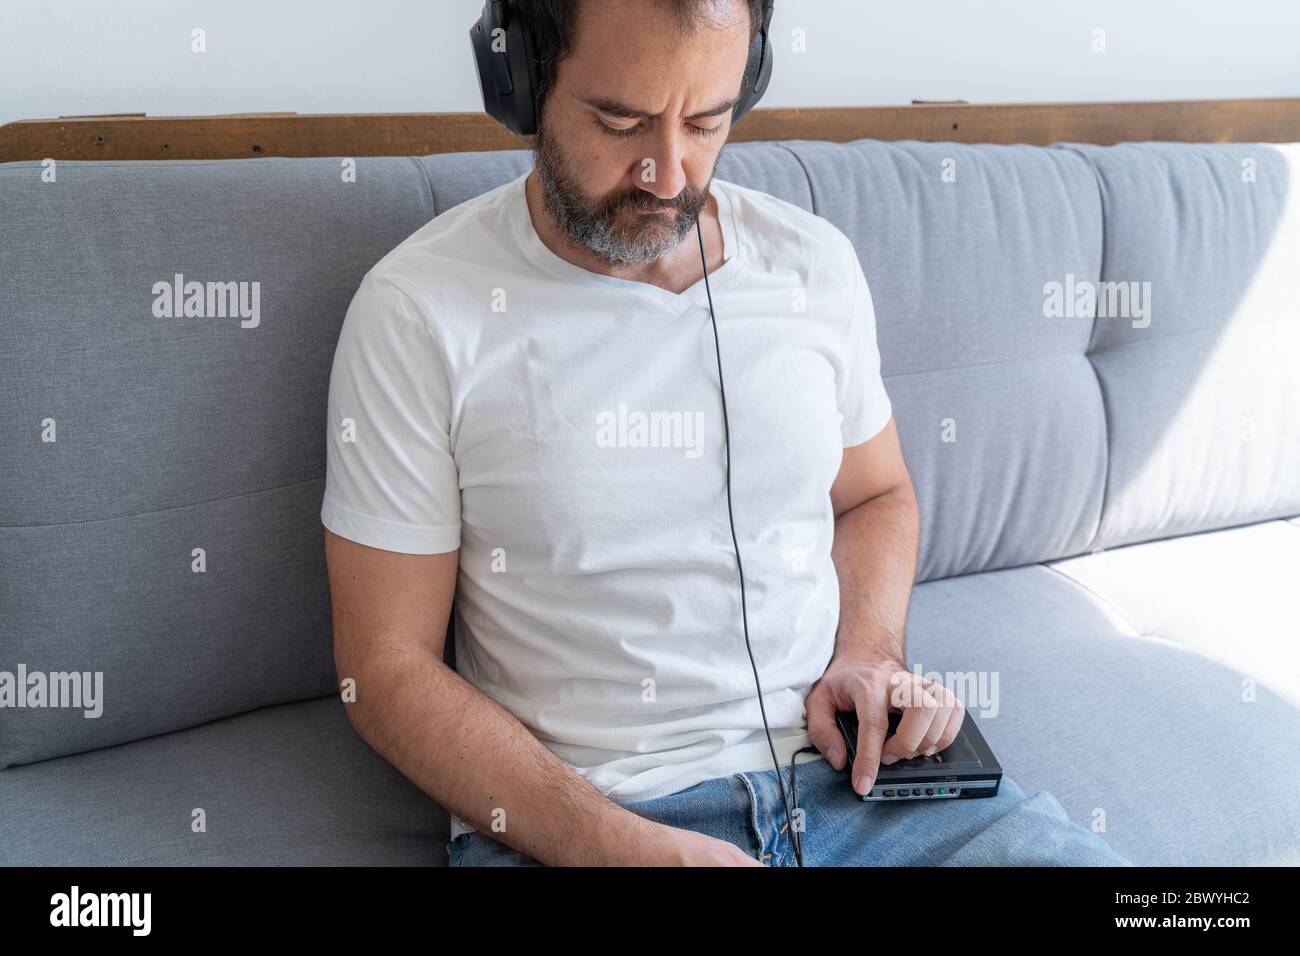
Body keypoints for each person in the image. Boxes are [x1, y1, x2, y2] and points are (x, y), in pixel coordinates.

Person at [320, 0, 1132, 867]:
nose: (669, 174)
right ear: (518, 80)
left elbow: (876, 494)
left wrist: (869, 653)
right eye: (621, 120)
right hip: (600, 820)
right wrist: (624, 850)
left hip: (862, 788)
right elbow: (385, 669)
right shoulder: (417, 310)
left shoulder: (813, 263)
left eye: (706, 122)